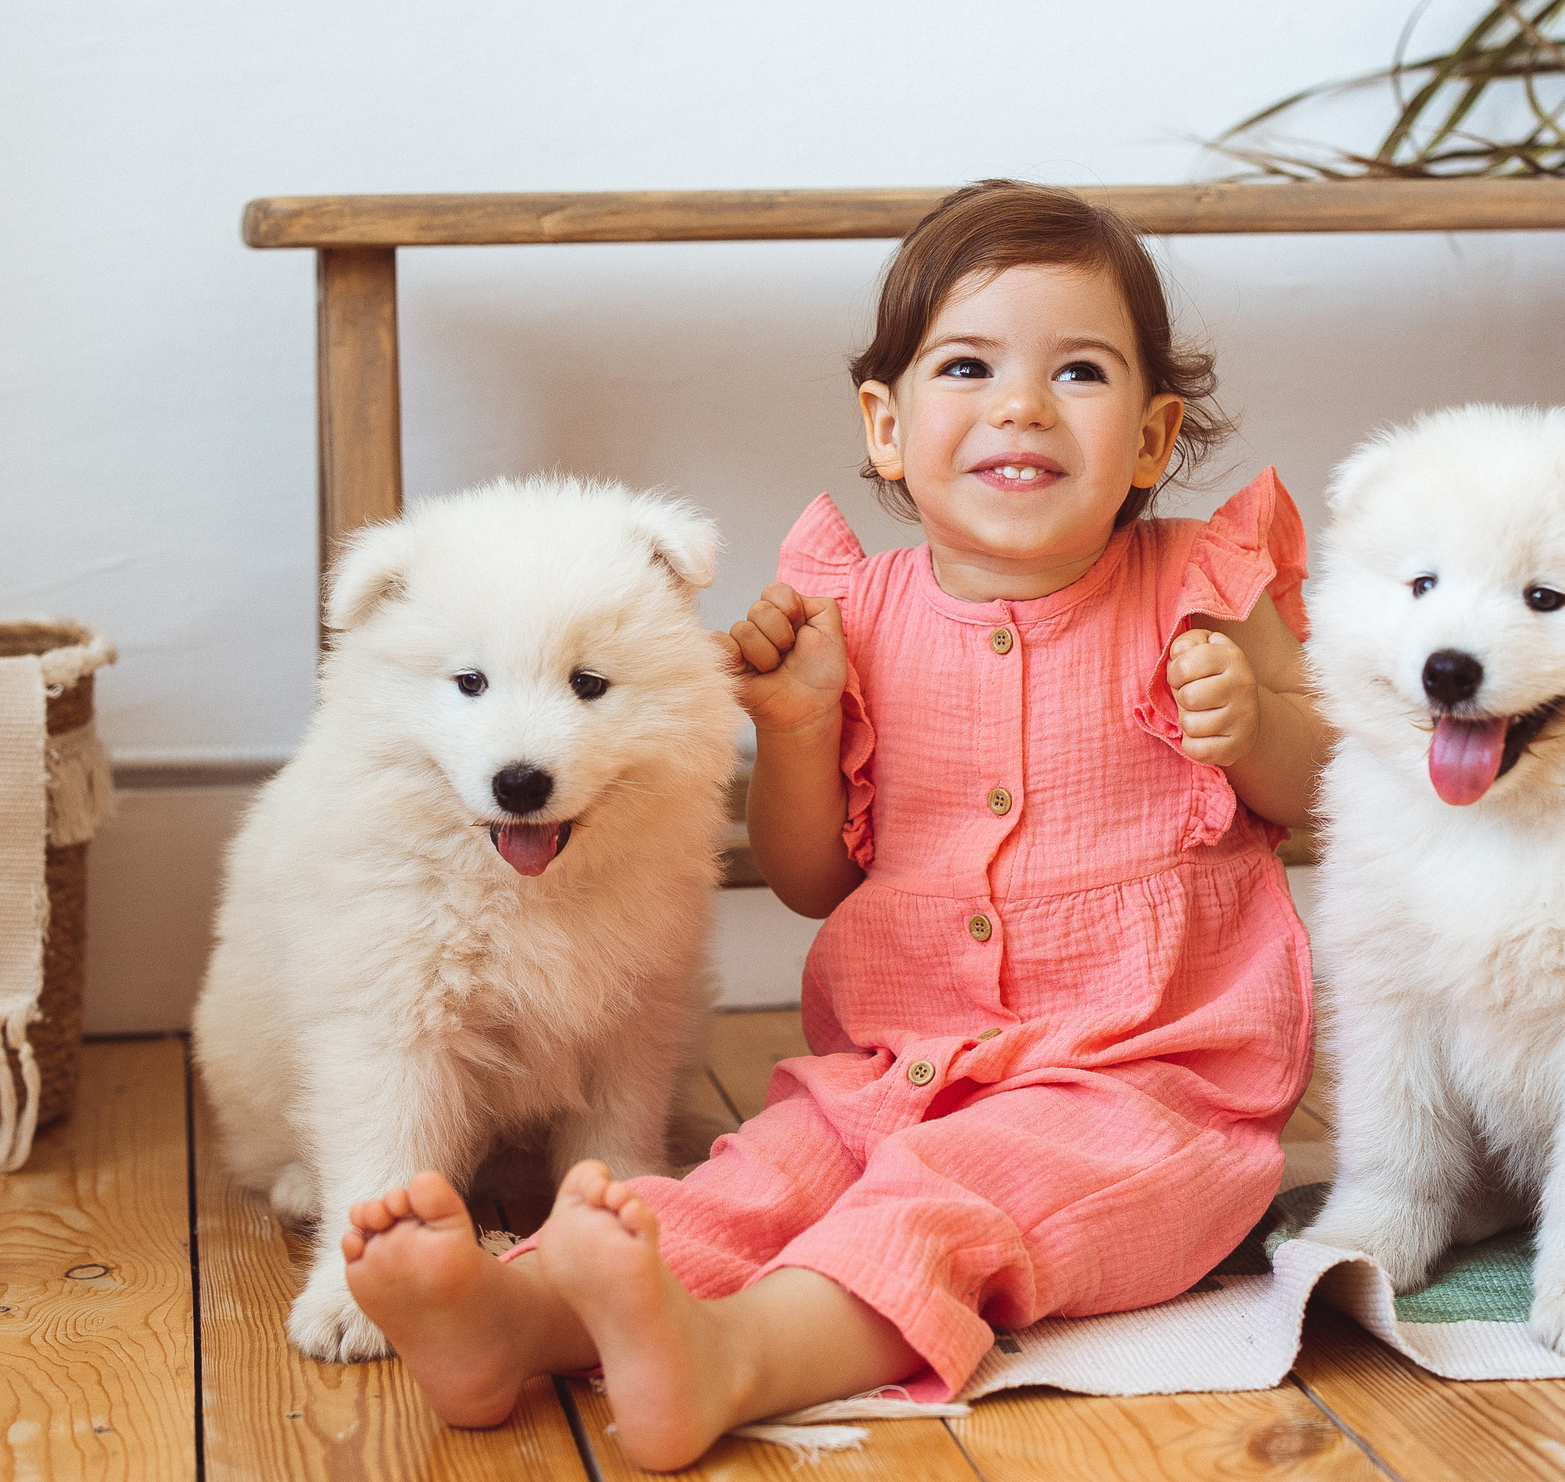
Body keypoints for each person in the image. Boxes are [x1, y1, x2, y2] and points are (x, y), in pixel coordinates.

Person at [341, 179, 1331, 1471]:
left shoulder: (1201, 584)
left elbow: (1313, 790)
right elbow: (814, 880)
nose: (1022, 405)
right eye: (969, 366)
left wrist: (1254, 720)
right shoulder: (849, 617)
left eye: (1077, 373)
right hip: (893, 1071)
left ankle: (737, 1359)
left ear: (1150, 441)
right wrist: (799, 727)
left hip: (1148, 1093)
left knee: (948, 1204)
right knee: (761, 1181)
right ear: (886, 424)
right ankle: (518, 1315)